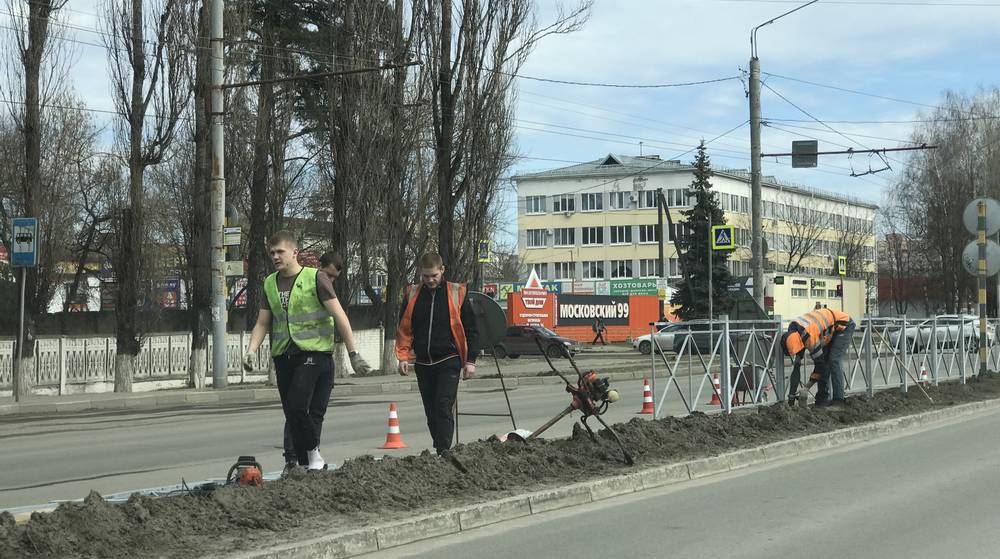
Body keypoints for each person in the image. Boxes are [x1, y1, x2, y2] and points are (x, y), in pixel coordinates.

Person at [244, 233, 370, 472]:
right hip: (284, 356)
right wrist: (251, 350)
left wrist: (353, 354)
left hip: (314, 353)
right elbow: (262, 323)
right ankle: (302, 464)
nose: (275, 256)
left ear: (295, 252)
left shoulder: (316, 278)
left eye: (280, 251)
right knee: (292, 414)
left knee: (297, 406)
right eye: (272, 253)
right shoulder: (270, 283)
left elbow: (339, 315)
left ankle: (314, 456)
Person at [395, 252, 480, 457]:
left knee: (443, 405)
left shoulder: (457, 292)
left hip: (449, 359)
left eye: (434, 275)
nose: (430, 280)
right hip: (423, 362)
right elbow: (405, 328)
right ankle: (440, 448)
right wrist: (403, 356)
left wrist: (471, 361)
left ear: (442, 270)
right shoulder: (412, 294)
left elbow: (472, 329)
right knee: (431, 411)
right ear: (420, 274)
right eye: (425, 276)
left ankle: (444, 451)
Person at [277, 251, 344, 473]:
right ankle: (292, 459)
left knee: (316, 412)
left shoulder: (325, 288)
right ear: (318, 266)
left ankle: (311, 456)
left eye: (335, 278)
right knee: (296, 409)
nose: (330, 281)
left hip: (324, 357)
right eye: (329, 275)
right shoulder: (304, 284)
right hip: (300, 356)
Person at [781, 307, 856, 408]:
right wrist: (791, 398)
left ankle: (839, 401)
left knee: (833, 360)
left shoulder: (810, 339)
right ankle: (822, 400)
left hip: (843, 325)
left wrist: (807, 388)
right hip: (827, 330)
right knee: (824, 361)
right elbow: (796, 367)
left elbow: (820, 366)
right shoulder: (793, 331)